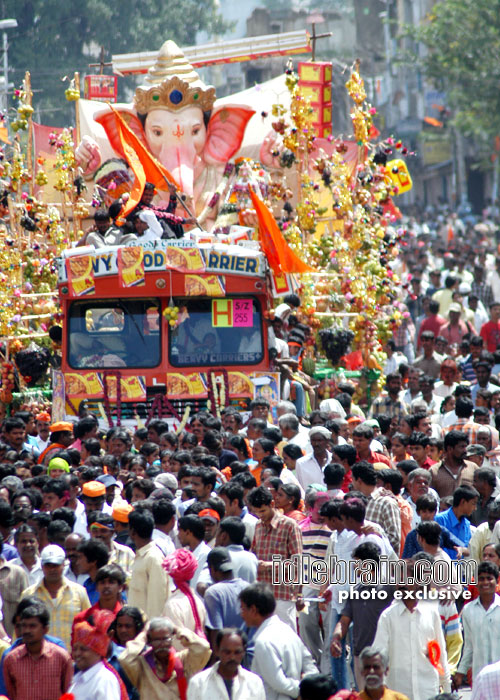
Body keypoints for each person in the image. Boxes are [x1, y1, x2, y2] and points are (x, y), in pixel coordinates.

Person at [373, 560, 451, 700]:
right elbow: (379, 655)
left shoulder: (431, 613)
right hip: (398, 691)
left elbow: (440, 653)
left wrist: (446, 686)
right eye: (398, 579)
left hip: (427, 690)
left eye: (406, 579)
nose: (401, 584)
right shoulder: (388, 617)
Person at [239, 582, 317, 700]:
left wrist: (303, 691)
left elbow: (279, 683)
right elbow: (311, 669)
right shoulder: (289, 632)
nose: (241, 614)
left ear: (253, 610)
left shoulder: (264, 642)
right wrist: (308, 688)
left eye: (243, 608)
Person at [248, 486, 302, 629]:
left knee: (287, 638)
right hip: (262, 594)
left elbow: (297, 562)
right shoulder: (258, 526)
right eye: (256, 512)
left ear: (272, 504)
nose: (260, 515)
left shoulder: (289, 525)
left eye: (262, 511)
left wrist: (268, 565)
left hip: (282, 593)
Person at [118, 617, 211, 699]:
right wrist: (144, 634)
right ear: (149, 641)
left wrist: (178, 629)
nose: (162, 644)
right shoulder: (142, 665)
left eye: (166, 639)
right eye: (157, 640)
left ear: (172, 638)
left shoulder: (184, 660)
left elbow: (203, 648)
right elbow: (124, 658)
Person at [21, 543, 90, 650]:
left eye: (56, 565)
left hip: (72, 659)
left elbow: (88, 627)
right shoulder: (29, 595)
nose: (52, 569)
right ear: (42, 566)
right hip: (37, 659)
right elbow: (20, 630)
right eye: (48, 565)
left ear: (64, 564)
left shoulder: (79, 592)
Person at [3, 600, 73, 700]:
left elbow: (68, 692)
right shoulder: (11, 659)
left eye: (32, 626)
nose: (27, 630)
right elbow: (12, 694)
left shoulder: (61, 657)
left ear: (45, 629)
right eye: (24, 626)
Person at [455, 560, 500, 687]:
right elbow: (469, 646)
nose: (485, 582)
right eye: (481, 579)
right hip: (480, 677)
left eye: (489, 578)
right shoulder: (468, 610)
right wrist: (461, 672)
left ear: (496, 581)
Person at [187, 628, 266, 700]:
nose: (232, 657)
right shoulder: (198, 683)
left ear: (244, 652)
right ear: (217, 650)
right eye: (227, 652)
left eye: (237, 652)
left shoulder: (254, 683)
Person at [70, 609, 125, 700]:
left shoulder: (105, 680)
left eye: (83, 649)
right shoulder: (77, 677)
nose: (77, 653)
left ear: (98, 651)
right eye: (75, 649)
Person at [128, 508, 170, 619]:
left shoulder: (153, 558)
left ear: (132, 532)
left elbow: (157, 601)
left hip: (146, 628)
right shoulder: (141, 555)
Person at [161, 548, 207, 650]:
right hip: (196, 659)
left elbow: (176, 644)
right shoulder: (198, 601)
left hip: (181, 661)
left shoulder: (173, 604)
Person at [215, 517, 258, 583]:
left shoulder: (219, 557)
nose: (216, 537)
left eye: (217, 533)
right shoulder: (252, 558)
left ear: (223, 536)